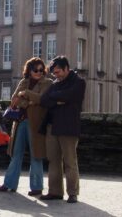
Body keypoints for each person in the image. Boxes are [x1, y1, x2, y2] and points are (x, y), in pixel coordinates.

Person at [0, 57, 52, 195]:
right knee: (16, 154)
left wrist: (26, 94)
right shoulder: (23, 81)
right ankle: (9, 183)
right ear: (29, 70)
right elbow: (14, 100)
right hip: (20, 122)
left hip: (36, 123)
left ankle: (37, 186)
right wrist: (29, 102)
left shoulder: (47, 83)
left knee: (36, 155)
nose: (39, 72)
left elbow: (42, 99)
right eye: (35, 70)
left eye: (41, 69)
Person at [39, 56, 86, 204]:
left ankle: (72, 193)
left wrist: (57, 99)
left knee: (70, 161)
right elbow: (44, 100)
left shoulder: (78, 82)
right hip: (51, 126)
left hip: (68, 127)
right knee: (53, 161)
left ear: (66, 68)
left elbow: (72, 96)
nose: (56, 75)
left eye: (58, 72)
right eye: (54, 73)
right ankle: (55, 192)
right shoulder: (55, 84)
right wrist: (59, 100)